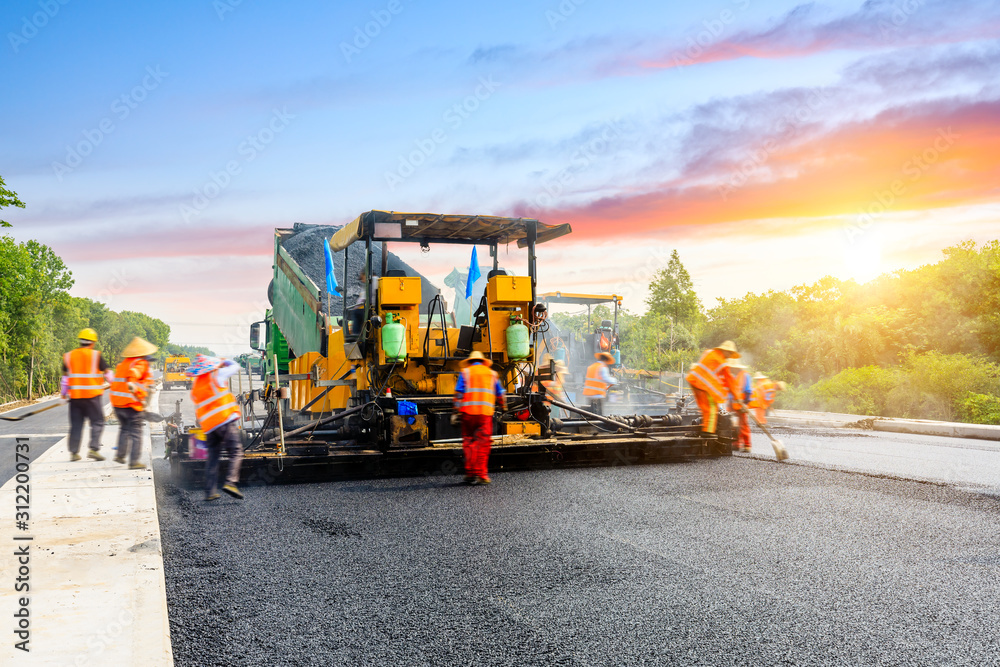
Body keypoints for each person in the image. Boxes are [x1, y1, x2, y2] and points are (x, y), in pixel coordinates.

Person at [186, 354, 244, 501]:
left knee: (213, 458)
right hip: (224, 421)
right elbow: (236, 366)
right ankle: (231, 483)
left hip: (209, 427)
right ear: (210, 366)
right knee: (236, 451)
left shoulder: (197, 385)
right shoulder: (216, 375)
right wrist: (224, 361)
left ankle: (210, 492)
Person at [454, 351, 506, 485]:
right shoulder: (491, 374)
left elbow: (459, 394)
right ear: (483, 361)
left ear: (470, 361)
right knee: (482, 443)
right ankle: (481, 474)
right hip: (484, 414)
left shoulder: (465, 372)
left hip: (468, 414)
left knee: (469, 442)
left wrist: (456, 411)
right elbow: (500, 393)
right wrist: (503, 406)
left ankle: (470, 473)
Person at [62, 328, 111, 461]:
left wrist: (63, 394)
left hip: (75, 398)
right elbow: (107, 373)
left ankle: (73, 453)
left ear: (80, 341)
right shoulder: (96, 355)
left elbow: (65, 378)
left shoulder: (69, 356)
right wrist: (116, 384)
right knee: (98, 422)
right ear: (93, 342)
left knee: (76, 425)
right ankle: (94, 449)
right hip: (92, 397)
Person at [109, 337, 157, 469]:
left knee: (124, 429)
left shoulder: (123, 363)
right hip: (131, 405)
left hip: (117, 405)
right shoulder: (140, 363)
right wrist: (131, 382)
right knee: (136, 433)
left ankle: (120, 455)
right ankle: (134, 462)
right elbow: (134, 373)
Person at [685, 340, 743, 437]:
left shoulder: (709, 353)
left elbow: (718, 378)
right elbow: (730, 381)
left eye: (731, 353)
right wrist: (738, 397)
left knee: (705, 408)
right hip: (703, 385)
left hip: (694, 381)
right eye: (729, 352)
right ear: (724, 350)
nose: (729, 355)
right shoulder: (721, 361)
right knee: (712, 408)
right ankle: (708, 433)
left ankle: (705, 428)